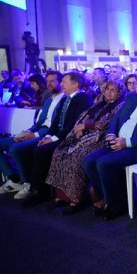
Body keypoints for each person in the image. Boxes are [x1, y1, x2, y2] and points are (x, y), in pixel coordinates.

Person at [83, 69, 137, 221]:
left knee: (103, 163)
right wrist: (111, 134)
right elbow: (116, 119)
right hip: (118, 141)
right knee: (88, 161)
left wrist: (127, 142)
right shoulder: (131, 98)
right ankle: (110, 197)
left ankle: (116, 205)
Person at [45, 81, 126, 214]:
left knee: (76, 156)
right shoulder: (101, 103)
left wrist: (86, 126)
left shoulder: (121, 105)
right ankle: (63, 195)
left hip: (101, 138)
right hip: (85, 135)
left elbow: (109, 123)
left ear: (119, 93)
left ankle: (76, 199)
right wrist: (79, 128)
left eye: (113, 90)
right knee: (60, 151)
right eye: (107, 89)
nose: (108, 92)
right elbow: (84, 116)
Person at [17, 72, 93, 206]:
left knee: (40, 151)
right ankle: (31, 186)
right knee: (26, 150)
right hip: (57, 135)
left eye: (64, 82)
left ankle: (40, 192)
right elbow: (55, 121)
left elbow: (73, 124)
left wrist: (53, 139)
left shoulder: (83, 98)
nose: (61, 84)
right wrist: (48, 136)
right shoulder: (65, 99)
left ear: (75, 84)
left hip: (70, 137)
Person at [0, 71, 64, 195]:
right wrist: (27, 131)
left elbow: (57, 126)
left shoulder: (65, 100)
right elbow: (39, 122)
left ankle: (28, 182)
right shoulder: (49, 100)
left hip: (48, 134)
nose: (49, 84)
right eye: (47, 81)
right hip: (38, 130)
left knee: (15, 148)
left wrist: (34, 135)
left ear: (60, 83)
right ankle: (14, 179)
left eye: (52, 81)